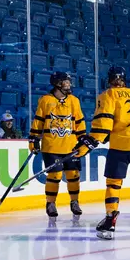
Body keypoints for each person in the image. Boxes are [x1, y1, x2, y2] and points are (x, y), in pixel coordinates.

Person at [79, 67, 130, 240]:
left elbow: (104, 123)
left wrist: (89, 144)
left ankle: (110, 220)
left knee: (114, 184)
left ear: (109, 80)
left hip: (121, 145)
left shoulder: (107, 95)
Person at [28, 72, 86, 221]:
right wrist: (33, 138)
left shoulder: (74, 101)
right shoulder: (45, 100)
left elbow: (79, 121)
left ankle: (74, 201)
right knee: (55, 176)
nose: (69, 84)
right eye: (65, 82)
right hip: (52, 146)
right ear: (57, 84)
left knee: (73, 176)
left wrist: (82, 140)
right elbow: (38, 121)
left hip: (71, 145)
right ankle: (51, 203)